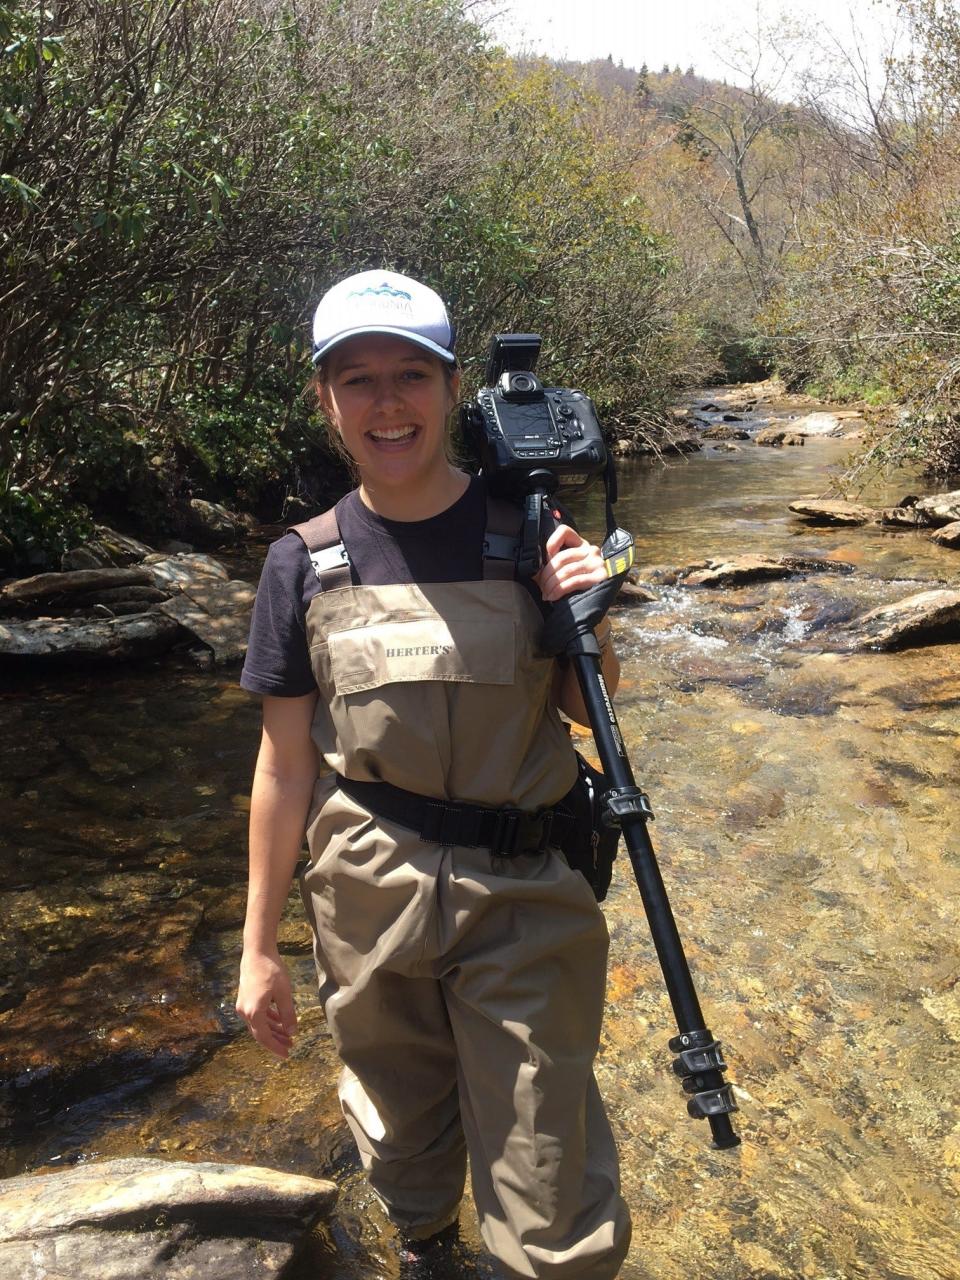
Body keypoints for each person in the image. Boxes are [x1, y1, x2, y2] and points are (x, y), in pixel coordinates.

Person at [236, 269, 632, 1279]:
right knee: (402, 1133)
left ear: (455, 388)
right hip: (367, 892)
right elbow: (284, 765)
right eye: (357, 378)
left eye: (411, 373)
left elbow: (594, 713)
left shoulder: (529, 532)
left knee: (549, 1178)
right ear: (324, 398)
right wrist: (259, 951)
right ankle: (425, 1246)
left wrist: (586, 611)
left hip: (526, 895)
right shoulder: (303, 562)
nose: (387, 401)